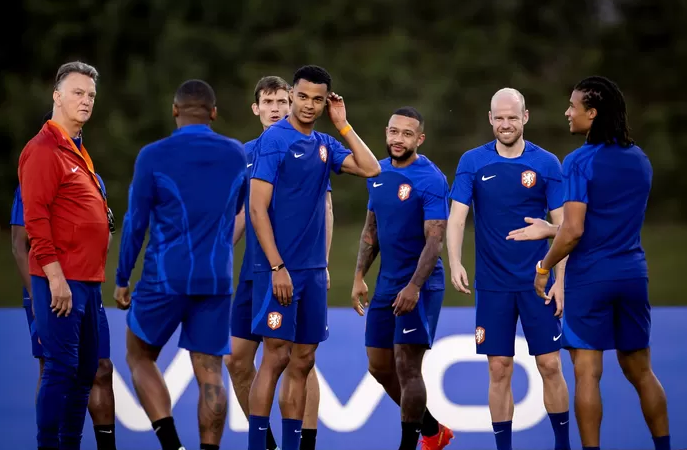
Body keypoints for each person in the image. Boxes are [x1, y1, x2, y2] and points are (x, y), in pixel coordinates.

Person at [509, 76, 671, 450]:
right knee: (641, 370)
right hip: (632, 274)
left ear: (592, 114)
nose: (567, 112)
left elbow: (577, 230)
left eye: (573, 106)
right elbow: (604, 223)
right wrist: (551, 228)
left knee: (586, 372)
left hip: (591, 279)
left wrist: (545, 266)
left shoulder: (580, 160)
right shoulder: (640, 159)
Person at [248, 65, 380, 450]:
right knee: (274, 359)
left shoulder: (325, 142)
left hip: (313, 272)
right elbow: (258, 209)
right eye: (302, 96)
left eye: (317, 99)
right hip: (279, 270)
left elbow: (371, 168)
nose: (308, 105)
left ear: (326, 103)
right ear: (291, 95)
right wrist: (277, 267)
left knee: (302, 362)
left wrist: (343, 125)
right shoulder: (274, 140)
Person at [114, 79, 247, 450]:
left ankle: (172, 445)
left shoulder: (153, 156)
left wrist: (123, 276)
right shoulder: (236, 153)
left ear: (175, 111)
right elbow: (240, 208)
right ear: (214, 113)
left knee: (139, 355)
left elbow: (135, 222)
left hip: (165, 277)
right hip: (217, 279)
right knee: (210, 373)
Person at [446, 88, 571, 450]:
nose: (505, 124)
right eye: (499, 118)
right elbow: (457, 218)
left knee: (550, 365)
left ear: (525, 118)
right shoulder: (472, 161)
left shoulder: (547, 163)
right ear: (490, 119)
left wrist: (561, 281)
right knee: (499, 368)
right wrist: (455, 261)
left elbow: (563, 228)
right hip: (493, 284)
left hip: (538, 282)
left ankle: (562, 445)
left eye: (512, 118)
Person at [225, 75, 328, 450]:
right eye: (267, 102)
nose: (275, 109)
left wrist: (325, 263)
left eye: (282, 102)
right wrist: (217, 255)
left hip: (294, 269)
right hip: (254, 272)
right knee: (236, 361)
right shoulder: (246, 153)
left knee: (298, 360)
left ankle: (304, 443)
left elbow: (324, 207)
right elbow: (243, 212)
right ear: (256, 109)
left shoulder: (303, 146)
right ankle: (265, 443)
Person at [18, 61, 112, 450]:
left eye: (90, 94)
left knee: (85, 370)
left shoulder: (76, 151)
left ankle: (70, 444)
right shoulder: (43, 149)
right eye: (77, 92)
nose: (86, 100)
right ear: (57, 96)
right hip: (62, 279)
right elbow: (34, 219)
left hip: (89, 281)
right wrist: (55, 277)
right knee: (60, 370)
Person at [351, 107, 455, 450]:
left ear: (419, 139)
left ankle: (411, 445)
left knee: (407, 366)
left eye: (407, 134)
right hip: (385, 285)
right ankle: (432, 429)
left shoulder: (431, 179)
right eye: (394, 132)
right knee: (378, 367)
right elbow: (372, 229)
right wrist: (358, 277)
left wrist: (414, 286)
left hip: (420, 286)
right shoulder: (376, 171)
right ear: (386, 132)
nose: (398, 139)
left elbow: (435, 240)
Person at [11, 172, 118, 450]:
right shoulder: (37, 174)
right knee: (55, 368)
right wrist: (36, 297)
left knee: (101, 367)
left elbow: (105, 229)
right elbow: (20, 244)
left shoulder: (94, 178)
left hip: (86, 288)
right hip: (48, 288)